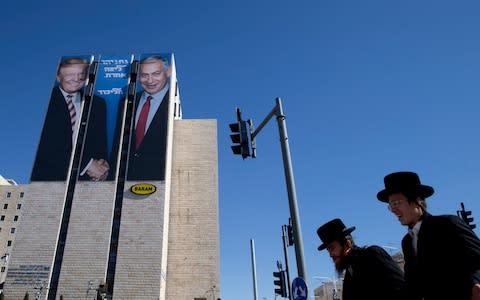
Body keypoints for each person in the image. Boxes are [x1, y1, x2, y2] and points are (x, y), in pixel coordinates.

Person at [377, 171, 480, 300]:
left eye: (396, 203)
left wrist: (475, 283)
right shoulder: (407, 242)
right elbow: (412, 285)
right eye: (390, 205)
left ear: (417, 201)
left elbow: (477, 258)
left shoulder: (447, 224)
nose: (393, 209)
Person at [31, 57, 109, 181]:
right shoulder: (45, 99)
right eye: (70, 75)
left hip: (85, 180)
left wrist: (102, 166)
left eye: (81, 74)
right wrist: (87, 164)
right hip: (48, 177)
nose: (76, 79)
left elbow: (100, 141)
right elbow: (46, 144)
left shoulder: (97, 104)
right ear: (58, 77)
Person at [316, 218, 407, 300]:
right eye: (328, 250)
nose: (330, 254)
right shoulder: (349, 274)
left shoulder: (372, 255)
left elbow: (400, 289)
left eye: (332, 248)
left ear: (348, 243)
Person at [127, 55, 171, 181]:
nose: (150, 80)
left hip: (157, 180)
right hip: (125, 178)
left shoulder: (170, 102)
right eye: (144, 75)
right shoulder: (126, 102)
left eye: (156, 73)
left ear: (167, 73)